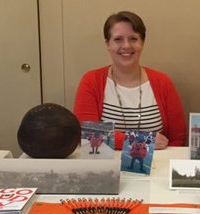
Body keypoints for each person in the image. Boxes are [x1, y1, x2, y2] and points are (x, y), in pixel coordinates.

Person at [74, 11, 186, 150]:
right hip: (107, 169)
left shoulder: (163, 82)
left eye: (133, 38)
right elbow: (87, 134)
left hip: (156, 167)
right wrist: (144, 140)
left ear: (142, 43)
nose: (126, 45)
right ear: (107, 44)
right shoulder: (91, 81)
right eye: (118, 39)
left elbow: (178, 139)